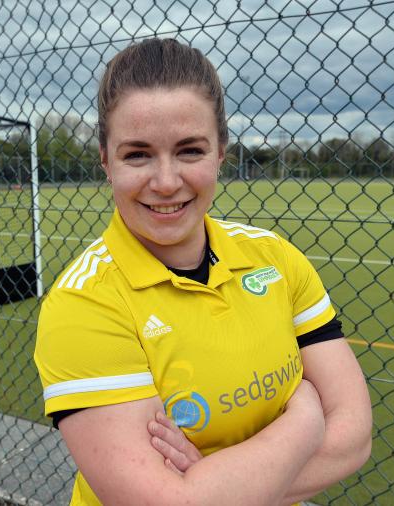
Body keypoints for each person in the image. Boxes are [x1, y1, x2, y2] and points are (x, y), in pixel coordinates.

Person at [34, 38, 371, 505]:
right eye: (137, 154)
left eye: (190, 150)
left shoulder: (275, 258)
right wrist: (306, 419)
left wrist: (214, 485)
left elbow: (353, 440)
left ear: (221, 153)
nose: (167, 181)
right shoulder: (83, 304)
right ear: (105, 160)